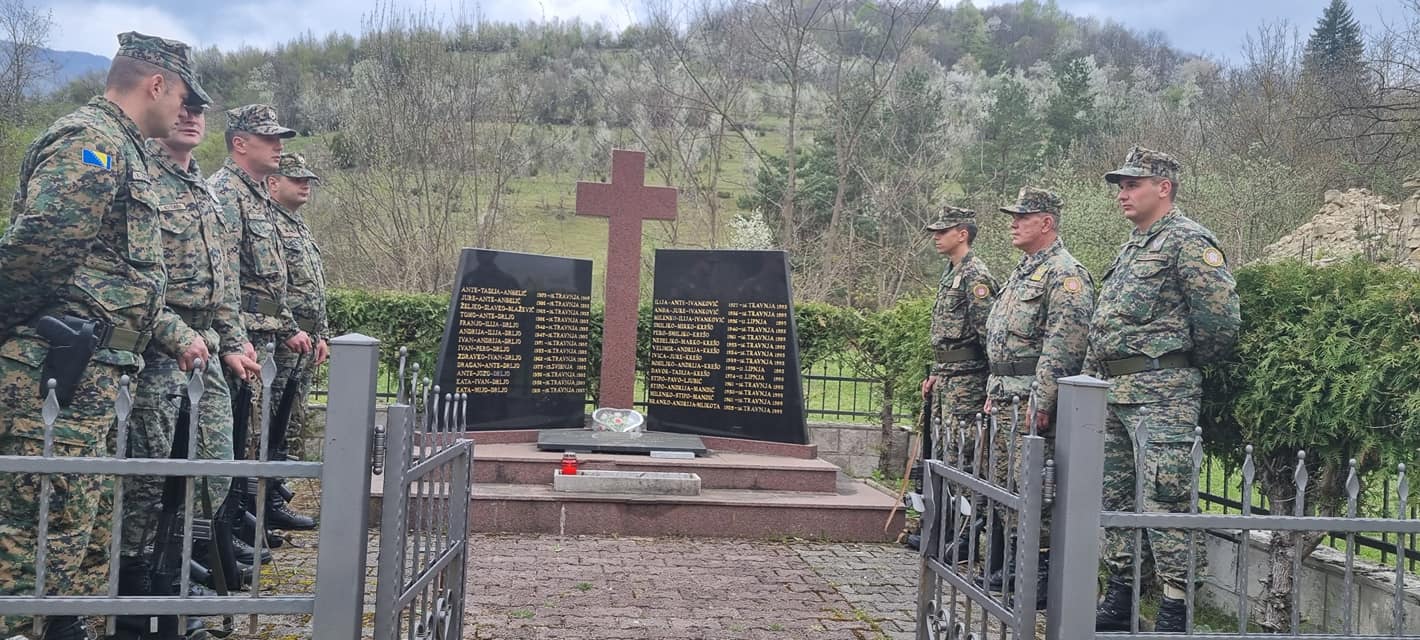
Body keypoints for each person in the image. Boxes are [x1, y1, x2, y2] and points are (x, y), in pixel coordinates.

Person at [0, 31, 210, 640]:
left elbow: (121, 275)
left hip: (102, 369)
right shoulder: (92, 142)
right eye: (182, 97)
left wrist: (173, 332)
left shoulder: (128, 150)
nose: (185, 111)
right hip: (59, 368)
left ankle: (61, 625)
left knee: (76, 531)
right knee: (40, 526)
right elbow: (41, 246)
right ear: (156, 84)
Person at [118, 93, 264, 608]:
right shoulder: (140, 178)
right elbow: (132, 277)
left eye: (200, 111)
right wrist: (178, 335)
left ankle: (176, 560)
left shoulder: (203, 190)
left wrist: (233, 341)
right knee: (150, 475)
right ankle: (137, 578)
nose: (190, 117)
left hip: (204, 355)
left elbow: (222, 284)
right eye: (182, 108)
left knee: (210, 466)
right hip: (159, 352)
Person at [1088, 147, 1239, 632]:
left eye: (1132, 184)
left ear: (1164, 187)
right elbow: (1104, 322)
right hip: (1113, 389)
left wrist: (1176, 366)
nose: (1122, 194)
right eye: (1120, 186)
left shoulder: (1189, 242)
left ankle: (1175, 607)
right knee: (1114, 495)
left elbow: (1219, 322)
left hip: (1162, 391)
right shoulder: (1133, 246)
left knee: (1164, 498)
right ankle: (1122, 594)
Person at [981, 186, 1093, 610]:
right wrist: (994, 390)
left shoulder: (1065, 274)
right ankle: (1015, 562)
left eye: (1021, 216)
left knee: (1035, 487)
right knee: (1008, 483)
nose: (1012, 223)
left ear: (1046, 222)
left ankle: (1040, 573)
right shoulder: (1024, 271)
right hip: (1004, 393)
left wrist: (1041, 402)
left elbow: (1063, 345)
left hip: (1029, 397)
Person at [207, 105, 314, 531]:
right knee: (237, 438)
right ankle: (226, 526)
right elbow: (225, 273)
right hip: (244, 337)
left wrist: (291, 328)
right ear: (240, 143)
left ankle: (242, 518)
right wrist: (233, 337)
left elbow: (275, 281)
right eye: (269, 138)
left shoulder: (253, 195)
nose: (279, 146)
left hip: (264, 337)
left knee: (254, 436)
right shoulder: (226, 191)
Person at [917, 205, 996, 558]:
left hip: (968, 382)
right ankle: (946, 528)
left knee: (966, 458)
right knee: (947, 455)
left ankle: (967, 536)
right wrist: (936, 372)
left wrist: (990, 387)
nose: (936, 235)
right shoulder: (951, 273)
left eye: (943, 230)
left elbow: (988, 337)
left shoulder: (975, 276)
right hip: (948, 378)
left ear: (962, 233)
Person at [261, 152, 328, 528]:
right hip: (281, 341)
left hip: (304, 340)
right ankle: (261, 504)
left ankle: (273, 498)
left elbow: (314, 289)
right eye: (296, 179)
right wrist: (289, 329)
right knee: (267, 424)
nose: (305, 186)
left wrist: (323, 333)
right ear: (274, 183)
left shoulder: (298, 226)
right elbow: (271, 288)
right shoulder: (269, 226)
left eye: (308, 181)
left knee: (288, 422)